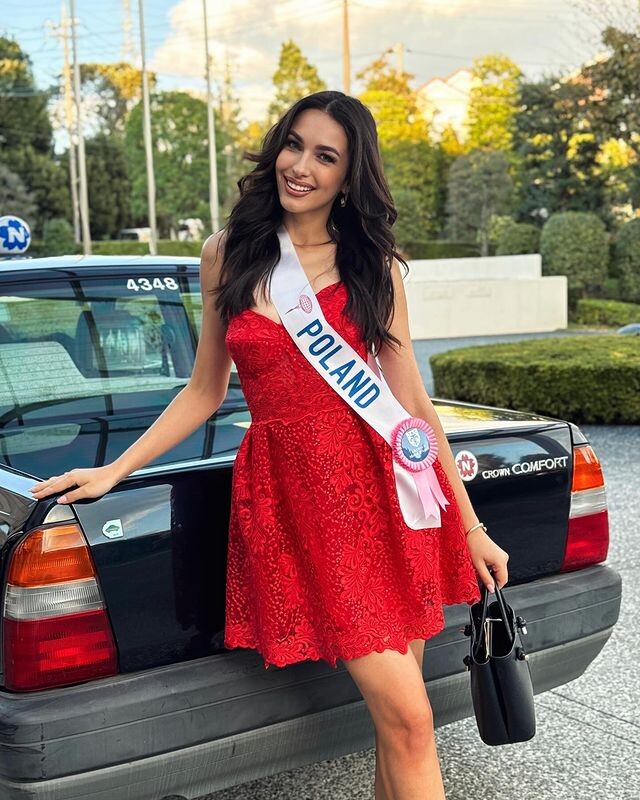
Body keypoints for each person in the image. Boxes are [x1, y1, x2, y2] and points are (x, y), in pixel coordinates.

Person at [29, 90, 509, 800]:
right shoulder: (227, 255)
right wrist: (115, 469)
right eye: (294, 145)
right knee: (409, 720)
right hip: (302, 497)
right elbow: (203, 390)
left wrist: (469, 526)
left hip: (388, 492)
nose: (301, 167)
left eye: (325, 156)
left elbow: (412, 406)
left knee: (400, 726)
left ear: (349, 176)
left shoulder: (372, 264)